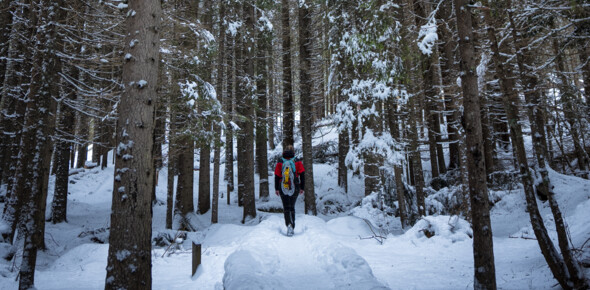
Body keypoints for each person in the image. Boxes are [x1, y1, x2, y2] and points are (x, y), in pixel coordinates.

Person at [274, 145, 305, 236]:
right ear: (293, 152)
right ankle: (292, 226)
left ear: (284, 152)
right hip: (295, 186)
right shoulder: (297, 161)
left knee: (286, 207)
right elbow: (302, 175)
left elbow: (277, 176)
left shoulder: (280, 161)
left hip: (282, 186)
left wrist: (276, 188)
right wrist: (302, 187)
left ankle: (288, 225)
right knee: (292, 207)